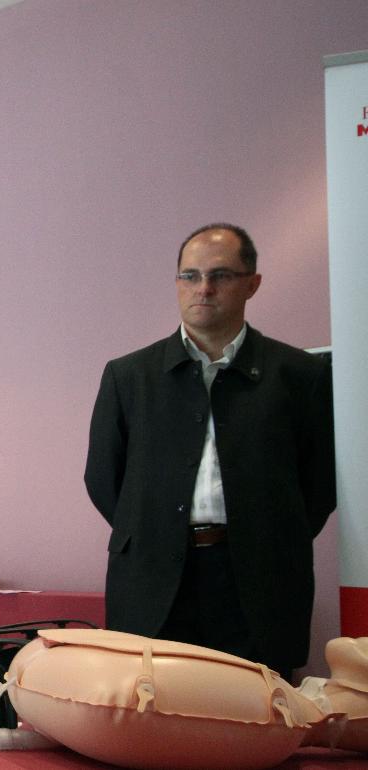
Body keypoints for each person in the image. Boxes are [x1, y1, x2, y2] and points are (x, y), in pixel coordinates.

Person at [84, 222, 336, 680]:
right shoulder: (129, 377)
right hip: (154, 579)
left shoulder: (301, 376)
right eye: (190, 276)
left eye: (220, 275)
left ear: (252, 284)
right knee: (153, 720)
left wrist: (272, 536)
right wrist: (153, 533)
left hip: (260, 581)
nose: (203, 288)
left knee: (256, 721)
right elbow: (103, 478)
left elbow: (321, 485)